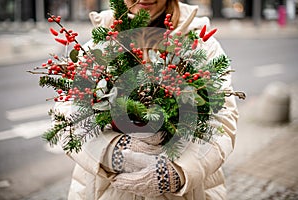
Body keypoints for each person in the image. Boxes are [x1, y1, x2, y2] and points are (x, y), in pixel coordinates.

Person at [53, 0, 239, 199]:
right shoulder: (100, 44)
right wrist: (112, 151)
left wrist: (180, 171)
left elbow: (222, 121)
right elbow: (67, 115)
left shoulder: (201, 45)